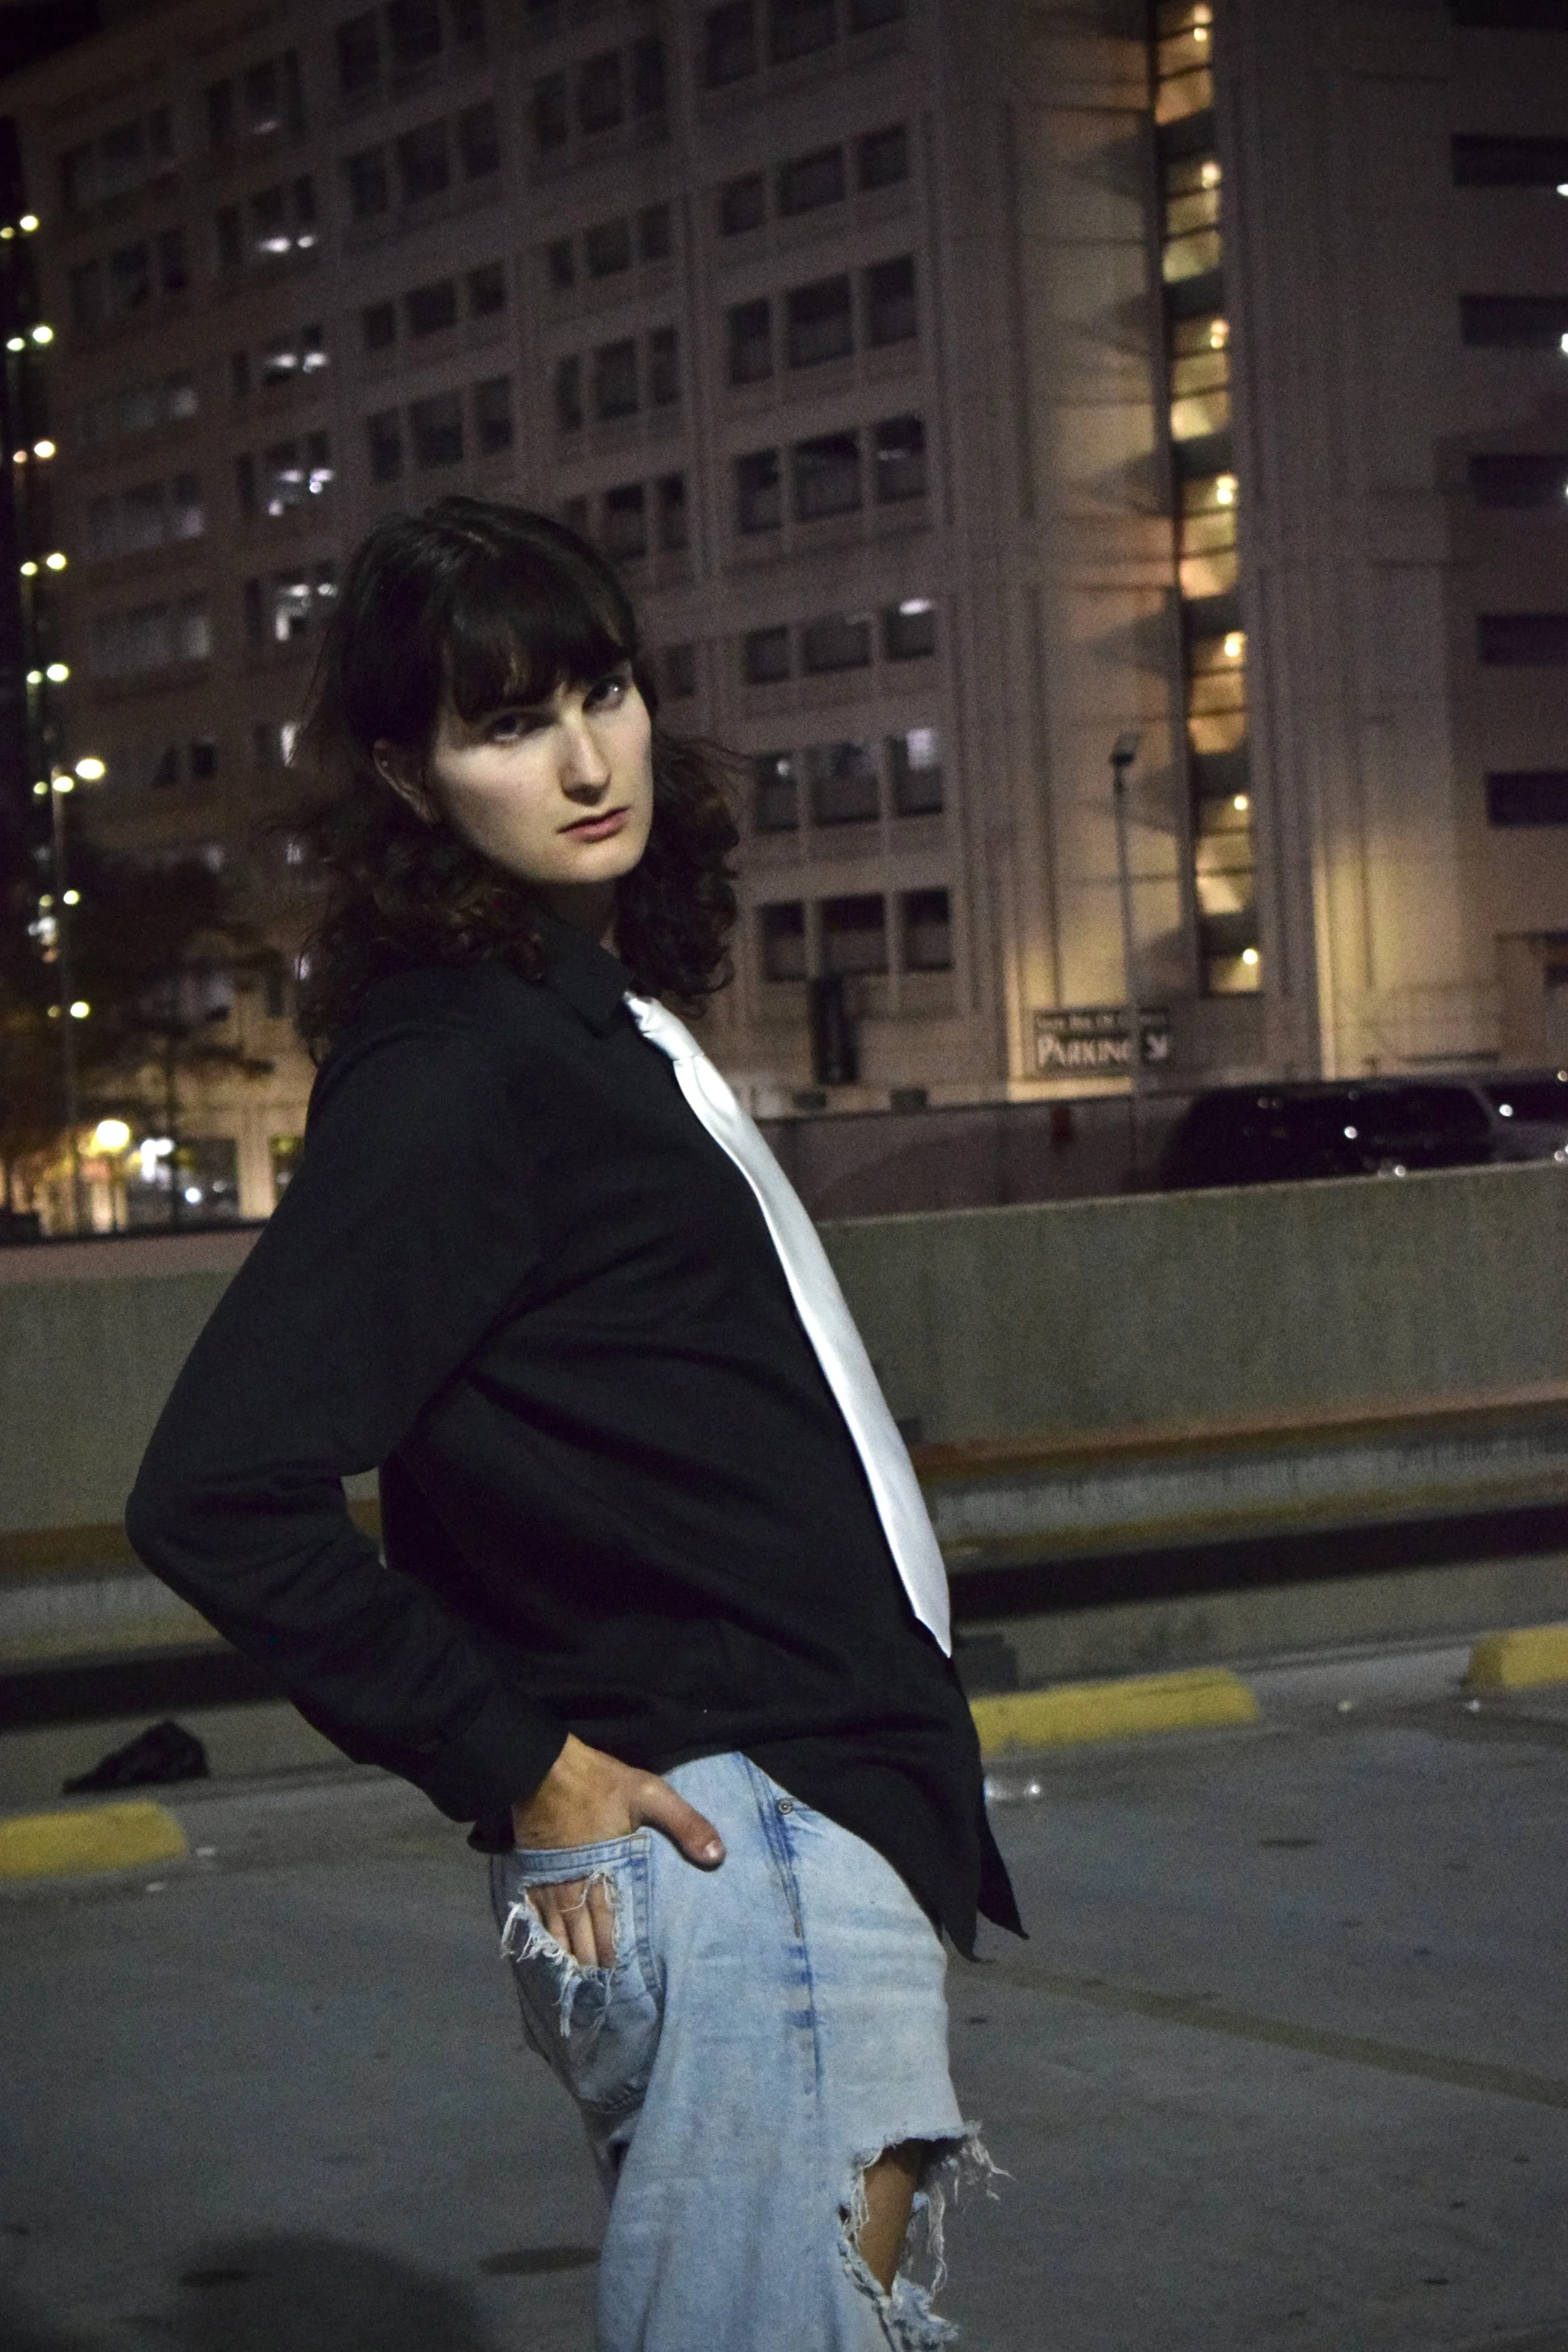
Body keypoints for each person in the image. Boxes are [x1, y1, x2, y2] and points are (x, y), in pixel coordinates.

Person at [126, 496, 1022, 2351]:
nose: (587, 754)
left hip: (787, 1811)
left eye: (602, 689)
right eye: (509, 722)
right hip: (733, 1831)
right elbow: (219, 1489)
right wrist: (517, 1752)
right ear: (405, 769)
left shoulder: (579, 1014)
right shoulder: (460, 1064)